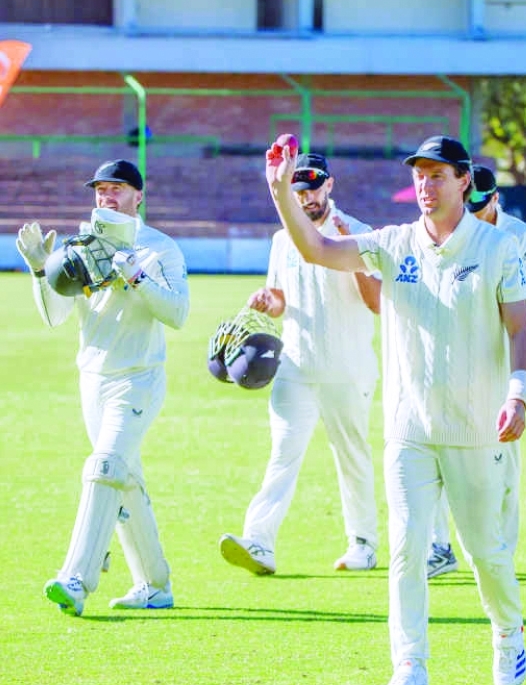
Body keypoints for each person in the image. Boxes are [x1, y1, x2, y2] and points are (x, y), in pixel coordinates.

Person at [265, 134, 526, 685]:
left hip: (475, 430)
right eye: (419, 173)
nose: (425, 184)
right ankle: (409, 668)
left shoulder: (497, 247)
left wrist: (518, 393)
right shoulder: (391, 243)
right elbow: (316, 249)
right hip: (409, 431)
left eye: (438, 174)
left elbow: (521, 329)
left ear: (464, 180)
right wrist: (279, 192)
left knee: (485, 553)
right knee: (407, 550)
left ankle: (508, 631)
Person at [16, 158, 189, 615]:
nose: (106, 196)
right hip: (92, 379)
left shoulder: (159, 249)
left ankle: (76, 579)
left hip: (138, 377)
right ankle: (155, 585)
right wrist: (41, 272)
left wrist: (136, 276)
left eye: (117, 188)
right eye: (101, 189)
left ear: (138, 195)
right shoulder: (79, 246)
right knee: (123, 479)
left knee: (104, 465)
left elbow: (177, 313)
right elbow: (54, 316)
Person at [219, 153, 382, 575]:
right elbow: (280, 301)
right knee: (283, 453)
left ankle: (363, 543)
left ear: (330, 185)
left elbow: (376, 301)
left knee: (352, 455)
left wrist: (354, 250)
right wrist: (266, 301)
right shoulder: (281, 240)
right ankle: (259, 542)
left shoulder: (359, 232)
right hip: (297, 365)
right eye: (299, 189)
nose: (307, 197)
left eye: (314, 187)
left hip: (349, 367)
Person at [427, 164, 526, 578]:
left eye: (479, 206)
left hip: (494, 356)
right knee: (432, 448)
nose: (470, 215)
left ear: (494, 200)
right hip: (447, 355)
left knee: (501, 459)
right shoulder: (446, 228)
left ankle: (502, 551)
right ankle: (438, 547)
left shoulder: (520, 237)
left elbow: (515, 305)